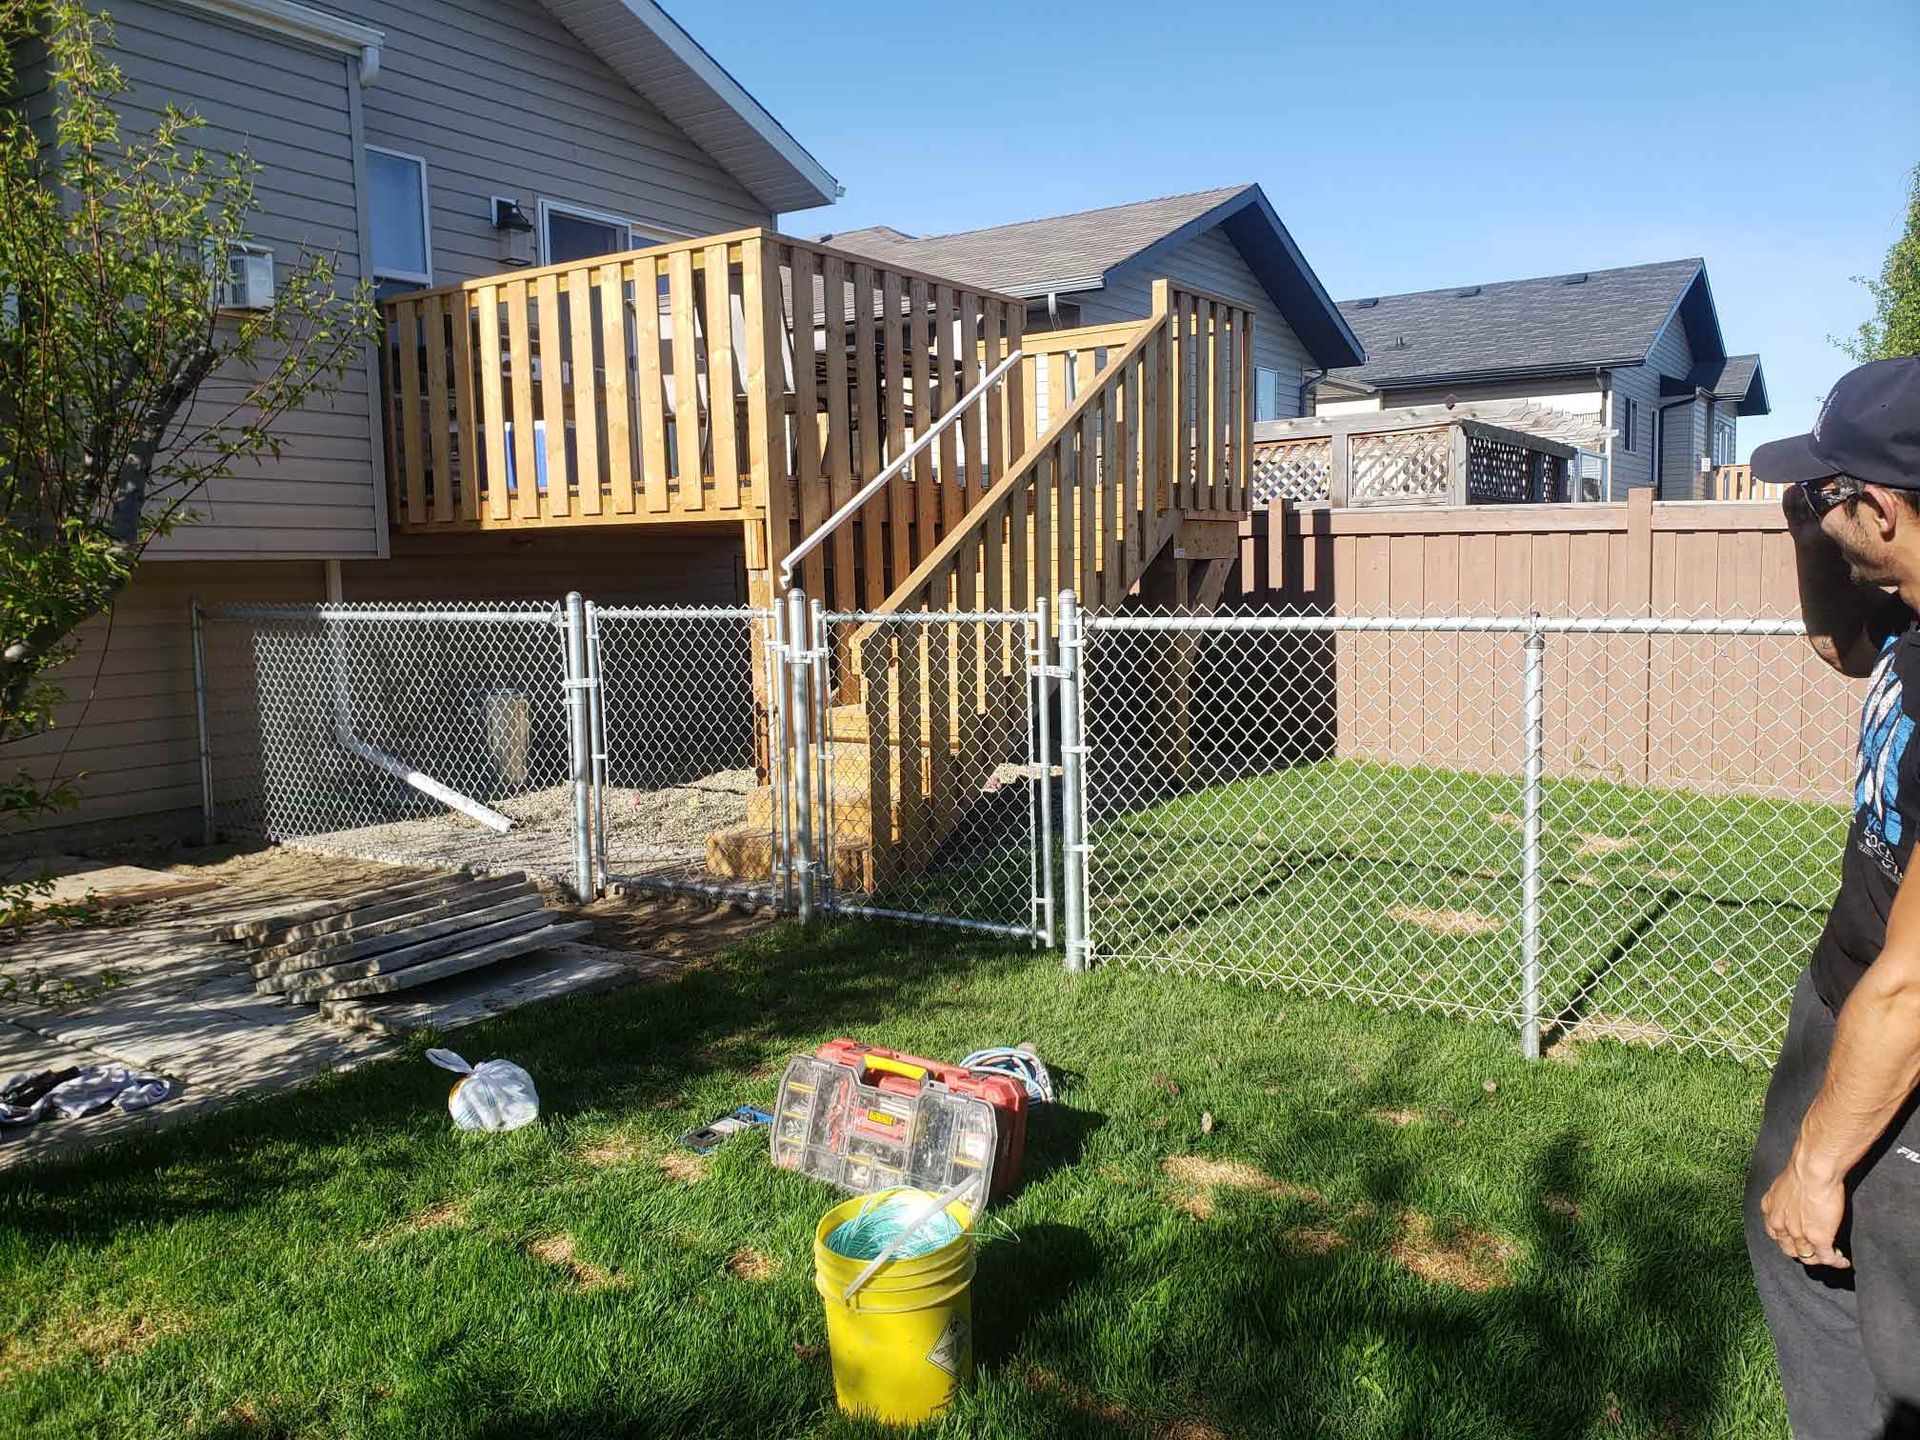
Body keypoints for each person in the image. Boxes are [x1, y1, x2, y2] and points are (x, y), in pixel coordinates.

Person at [1746, 354, 1920, 1439]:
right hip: (1846, 998)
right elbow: (1840, 649)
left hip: (1900, 1043)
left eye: (1835, 490)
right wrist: (1807, 525)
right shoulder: (1909, 612)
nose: (1821, 504)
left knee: (1899, 1332)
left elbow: (1915, 990)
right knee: (1813, 1293)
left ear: (1891, 508)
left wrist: (1820, 1162)